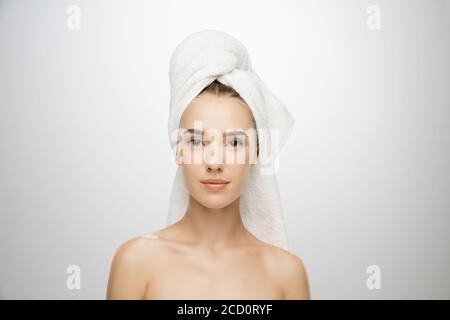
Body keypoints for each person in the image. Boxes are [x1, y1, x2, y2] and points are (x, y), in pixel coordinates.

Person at [106, 80, 310, 299]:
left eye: (234, 143)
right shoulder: (135, 261)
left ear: (256, 153)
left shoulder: (287, 274)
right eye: (195, 141)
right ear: (178, 151)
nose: (214, 162)